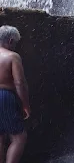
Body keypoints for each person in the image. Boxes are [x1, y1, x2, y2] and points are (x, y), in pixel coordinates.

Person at [0, 25, 30, 163]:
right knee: (19, 138)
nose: (16, 46)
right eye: (16, 43)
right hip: (4, 97)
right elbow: (19, 83)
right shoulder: (12, 56)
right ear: (10, 41)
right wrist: (25, 105)